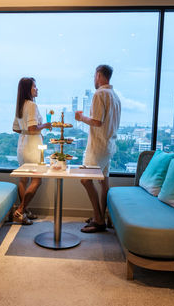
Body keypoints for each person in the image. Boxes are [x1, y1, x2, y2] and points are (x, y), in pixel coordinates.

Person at [75, 65, 121, 233]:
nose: (94, 79)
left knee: (85, 180)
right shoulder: (115, 96)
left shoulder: (100, 93)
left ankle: (99, 220)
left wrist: (81, 117)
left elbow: (97, 121)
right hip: (109, 146)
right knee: (104, 183)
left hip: (98, 146)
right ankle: (102, 216)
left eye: (94, 75)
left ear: (99, 75)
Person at [13, 77, 51, 225]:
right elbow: (32, 128)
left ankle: (25, 211)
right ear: (28, 89)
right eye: (34, 87)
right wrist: (46, 125)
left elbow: (15, 128)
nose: (37, 89)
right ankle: (21, 210)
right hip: (33, 146)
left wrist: (26, 133)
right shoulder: (32, 106)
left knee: (24, 179)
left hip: (22, 145)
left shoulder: (20, 105)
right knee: (37, 180)